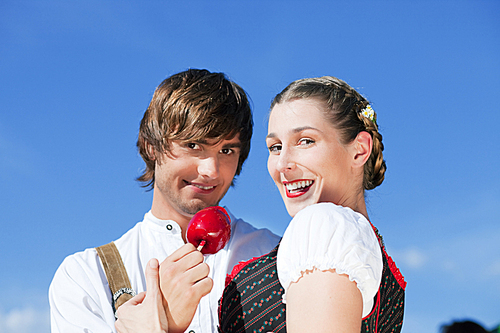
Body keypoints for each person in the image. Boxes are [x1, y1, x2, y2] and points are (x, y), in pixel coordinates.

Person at [49, 69, 280, 333]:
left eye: (226, 150)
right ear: (151, 146)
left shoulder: (277, 255)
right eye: (193, 145)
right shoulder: (86, 277)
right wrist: (165, 324)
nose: (211, 170)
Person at [218, 76, 406, 332]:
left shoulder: (323, 226)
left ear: (360, 150)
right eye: (275, 147)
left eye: (305, 141)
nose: (282, 164)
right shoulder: (361, 246)